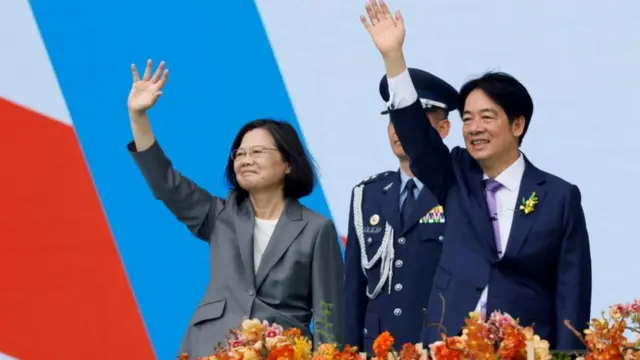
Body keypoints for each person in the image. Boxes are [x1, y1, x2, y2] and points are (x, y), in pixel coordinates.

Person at [360, 0, 592, 350]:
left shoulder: (559, 196)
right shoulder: (455, 174)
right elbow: (416, 137)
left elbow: (572, 288)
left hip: (526, 347)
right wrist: (394, 59)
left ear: (517, 124)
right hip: (448, 342)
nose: (474, 128)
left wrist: (568, 354)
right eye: (467, 118)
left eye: (487, 117)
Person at [125, 59, 345, 358]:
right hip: (212, 347)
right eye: (239, 153)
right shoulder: (220, 215)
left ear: (288, 164)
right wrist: (138, 116)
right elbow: (166, 183)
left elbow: (328, 314)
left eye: (257, 152)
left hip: (281, 352)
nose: (244, 159)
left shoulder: (317, 229)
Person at [343, 69, 457, 353]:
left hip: (439, 346)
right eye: (394, 120)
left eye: (411, 121)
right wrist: (347, 350)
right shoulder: (367, 194)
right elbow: (354, 290)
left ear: (442, 129)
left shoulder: (458, 189)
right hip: (378, 347)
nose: (398, 129)